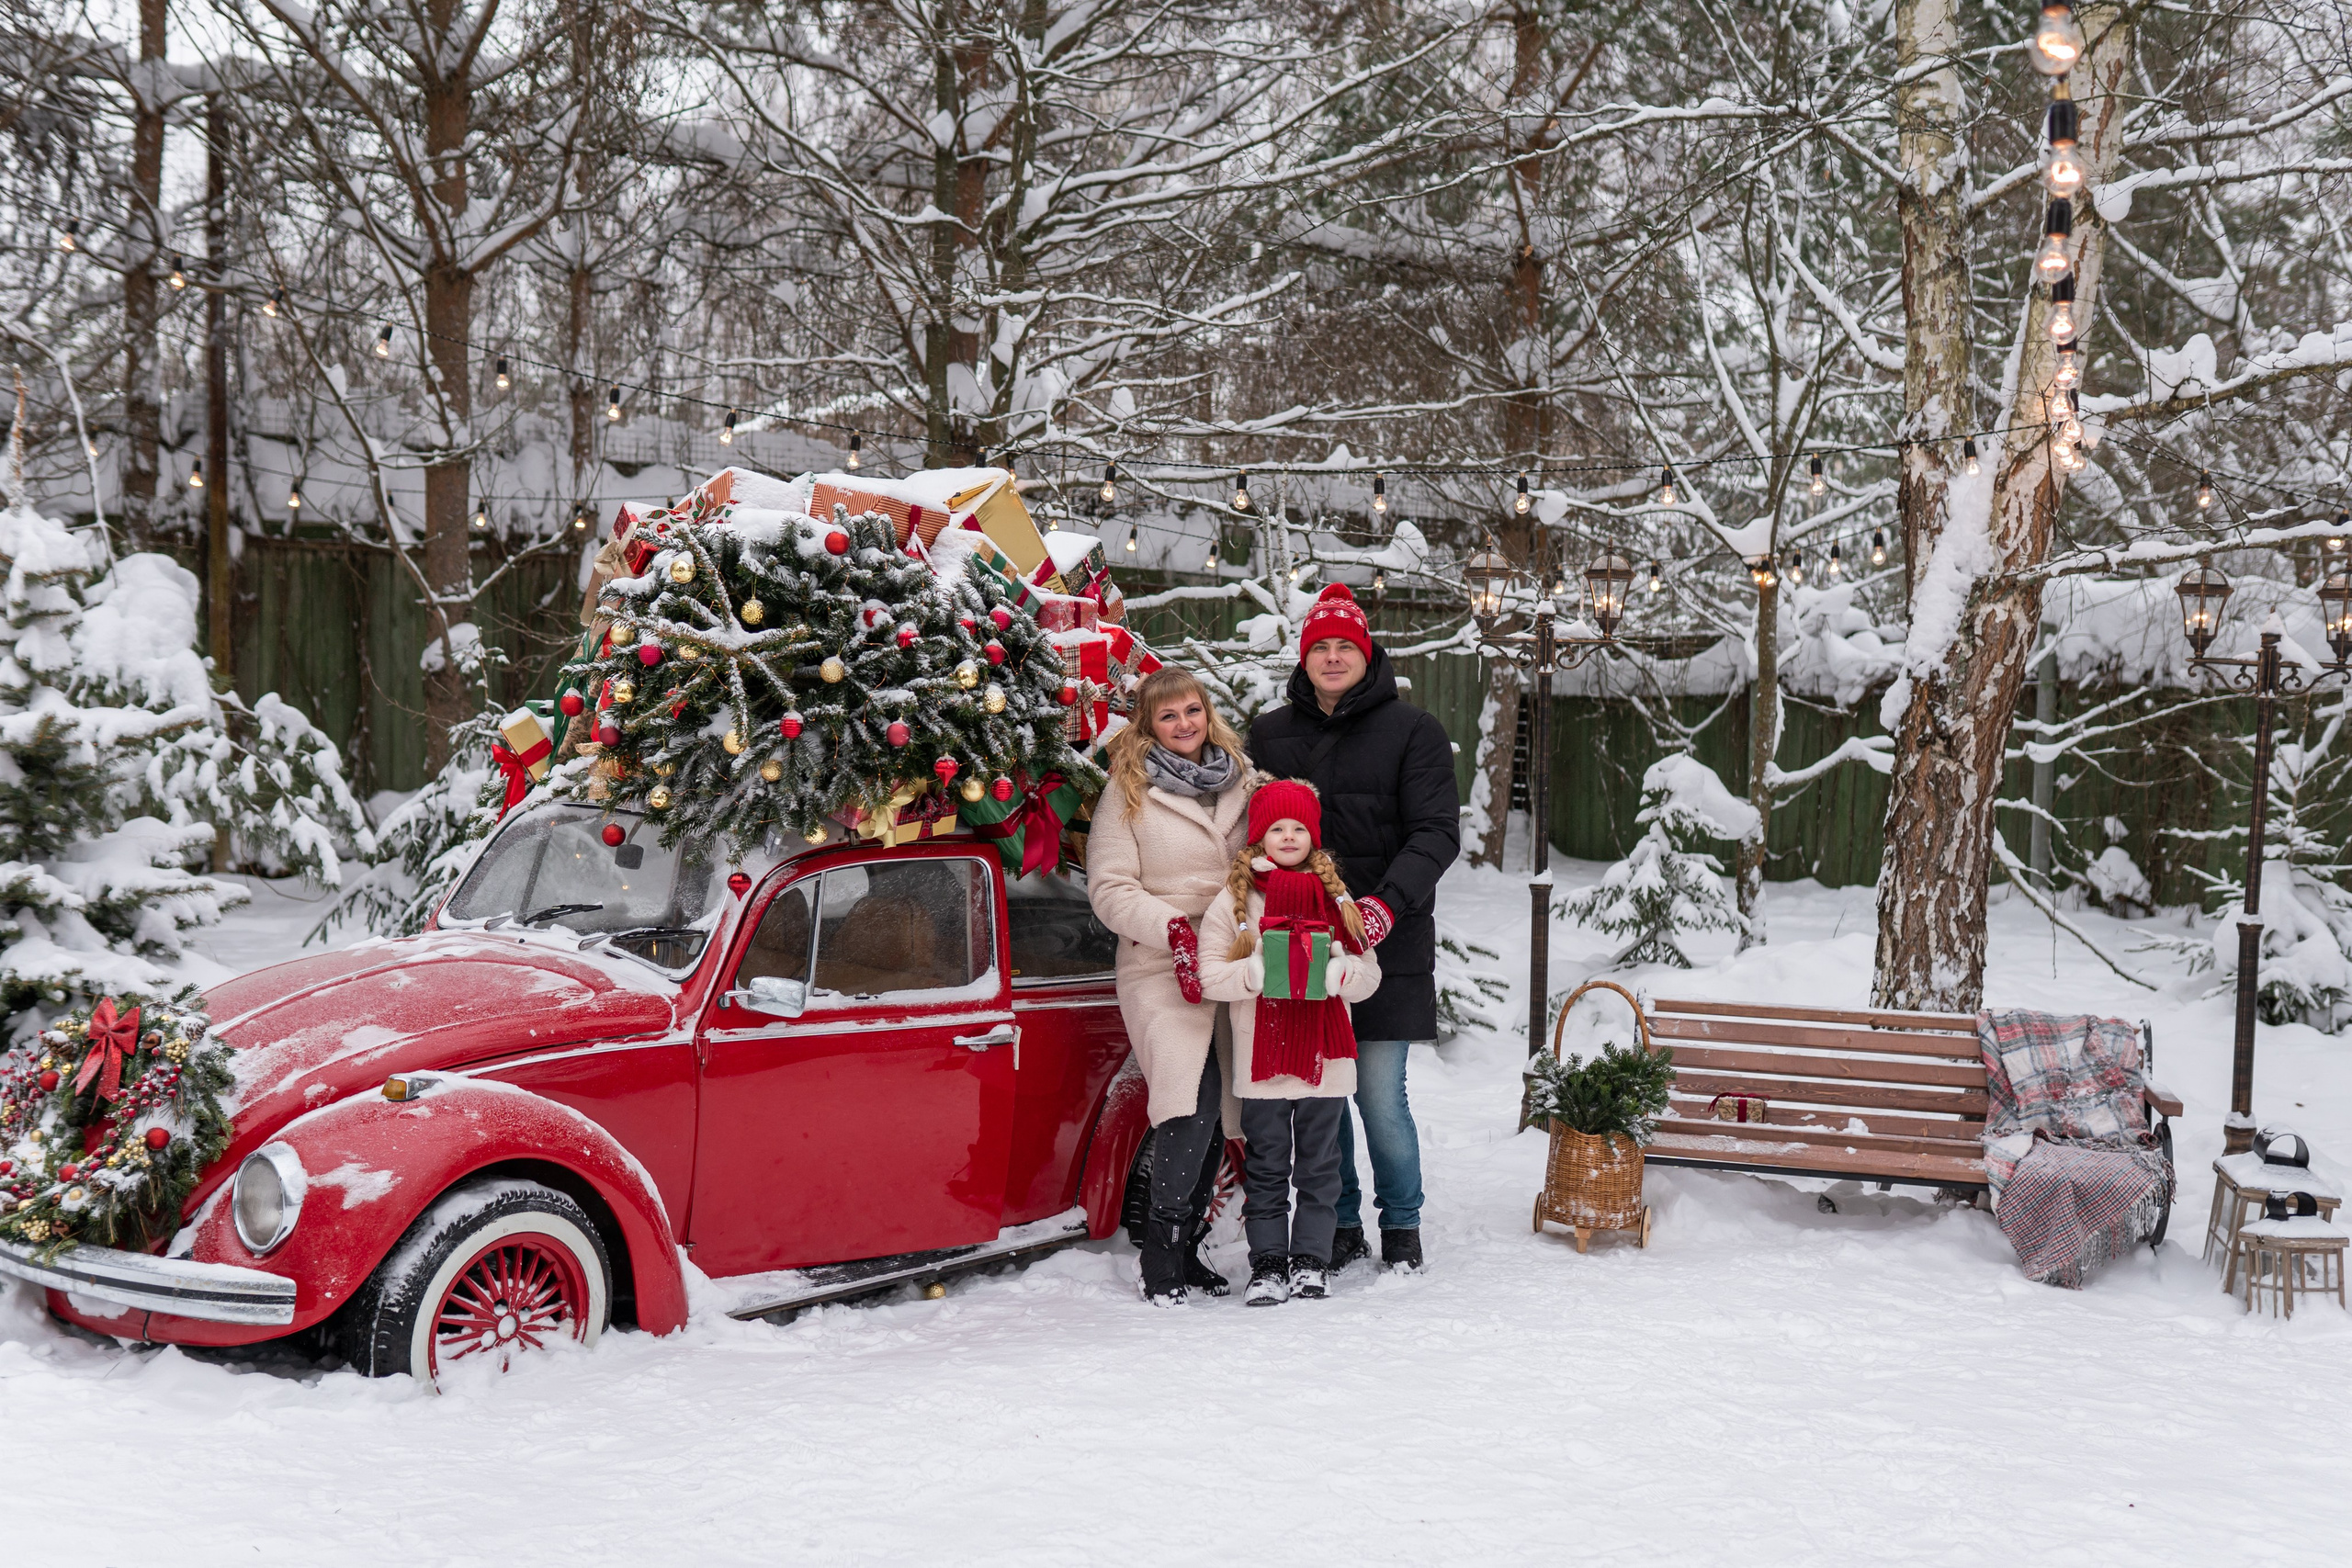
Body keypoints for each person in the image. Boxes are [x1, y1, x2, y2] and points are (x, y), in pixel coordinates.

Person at [1247, 582, 1460, 1272]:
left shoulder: (1414, 732)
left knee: (1377, 1093)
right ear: (1304, 657)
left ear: (1367, 656)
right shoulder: (1271, 734)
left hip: (1386, 942)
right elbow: (1248, 836)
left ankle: (1400, 1223)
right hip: (1296, 944)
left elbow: (1435, 833)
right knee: (1320, 1092)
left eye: (1346, 646)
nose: (1333, 657)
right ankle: (1337, 1221)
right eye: (1321, 647)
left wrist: (1384, 905)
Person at [1087, 664, 1255, 1304]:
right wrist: (1172, 929)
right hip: (1161, 958)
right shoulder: (1127, 790)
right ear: (1148, 726)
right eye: (1168, 715)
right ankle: (1161, 1252)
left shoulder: (1241, 780)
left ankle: (1189, 1249)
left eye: (1192, 711)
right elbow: (1108, 887)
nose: (1184, 724)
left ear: (1207, 714)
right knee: (1193, 1096)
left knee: (1226, 1108)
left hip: (1231, 956)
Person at [1198, 779, 1381, 1305]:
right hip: (1263, 1057)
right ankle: (1269, 1264)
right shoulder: (1237, 902)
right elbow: (1210, 976)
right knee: (1268, 1165)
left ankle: (1310, 1261)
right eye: (1276, 828)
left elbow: (1369, 974)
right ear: (1258, 837)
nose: (1287, 836)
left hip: (1325, 1057)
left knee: (1321, 1165)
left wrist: (1342, 975)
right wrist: (1251, 973)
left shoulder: (1338, 900)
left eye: (1299, 827)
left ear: (1313, 837)